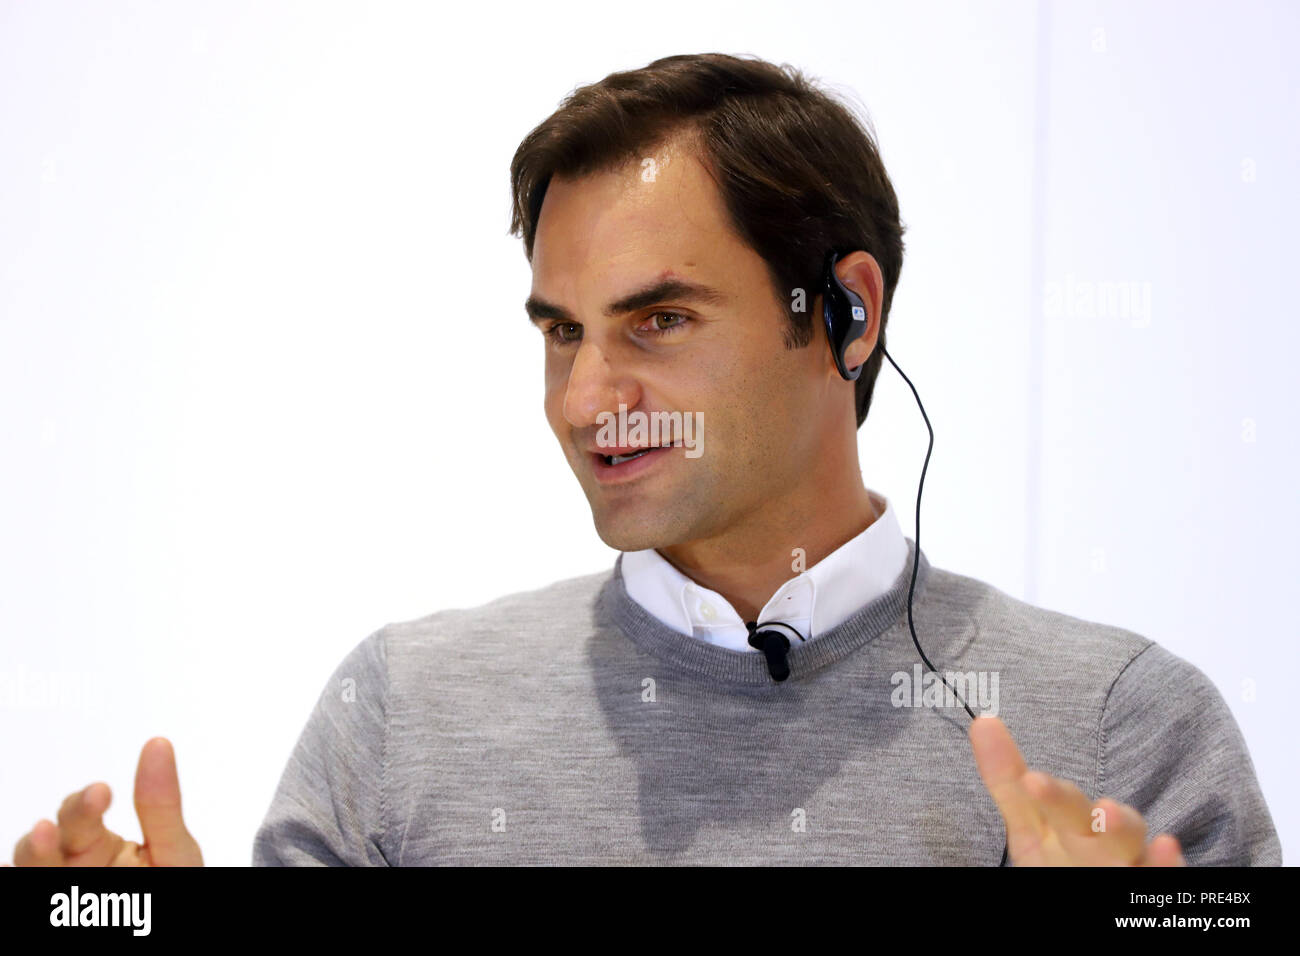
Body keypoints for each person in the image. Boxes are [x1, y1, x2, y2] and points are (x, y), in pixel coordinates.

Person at [9, 53, 1280, 867]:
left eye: (656, 322)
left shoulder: (1125, 730)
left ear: (845, 311)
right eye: (561, 331)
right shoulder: (401, 712)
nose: (585, 398)